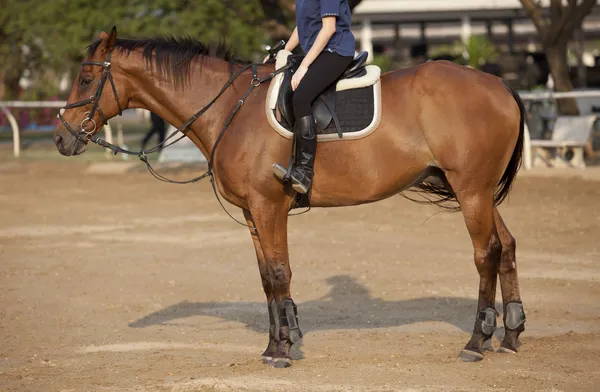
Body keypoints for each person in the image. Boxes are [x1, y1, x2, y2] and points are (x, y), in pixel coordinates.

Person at [270, 0, 356, 194]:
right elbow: (302, 28)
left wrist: (304, 66)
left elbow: (328, 29)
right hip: (317, 52)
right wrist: (284, 51)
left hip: (335, 51)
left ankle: (305, 172)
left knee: (301, 97)